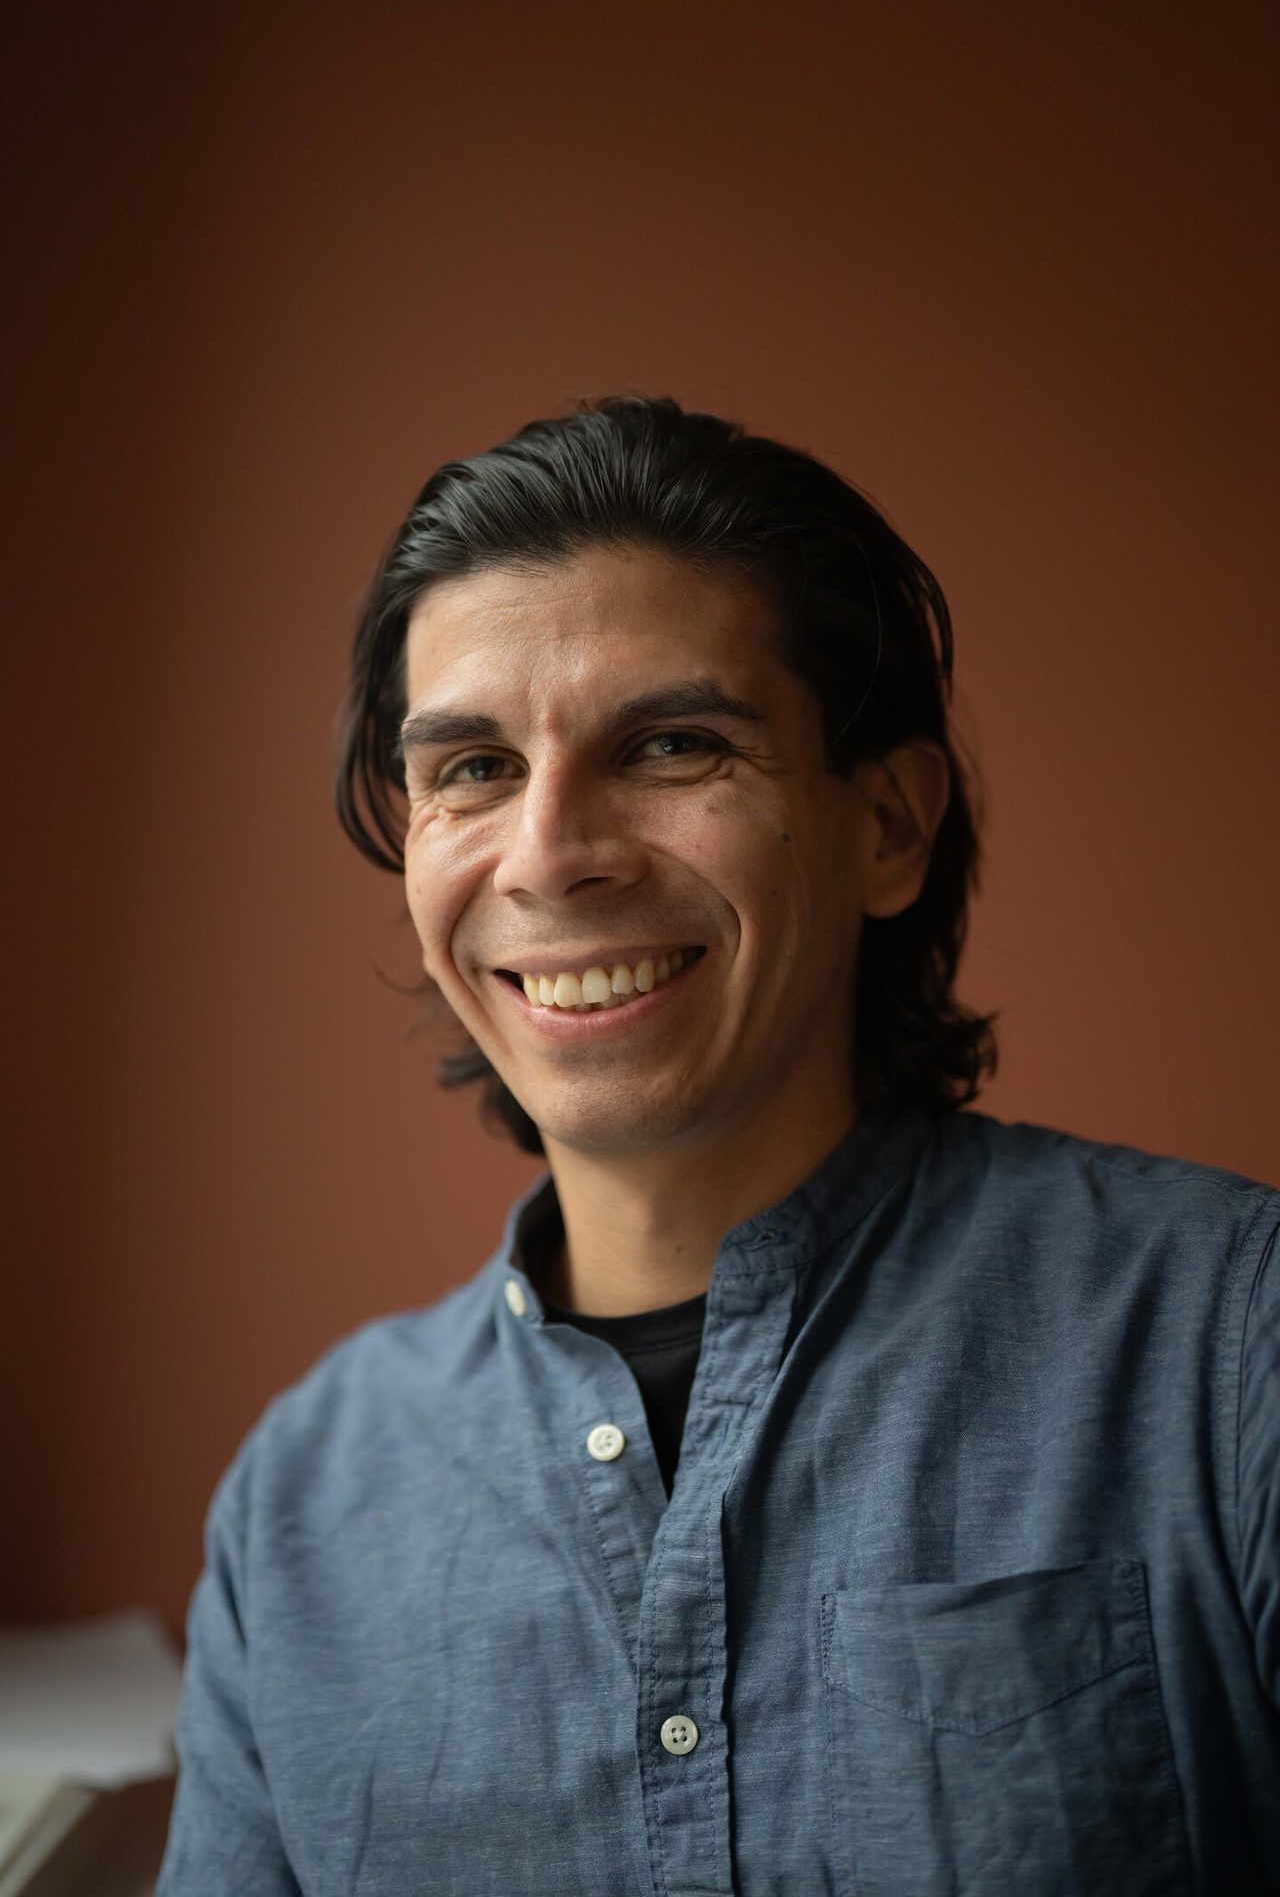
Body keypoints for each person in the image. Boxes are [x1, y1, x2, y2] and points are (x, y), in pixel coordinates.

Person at [157, 396, 1279, 1896]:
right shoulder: (299, 1502)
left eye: (673, 743)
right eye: (473, 768)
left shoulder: (1232, 1346)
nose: (553, 852)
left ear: (888, 824)